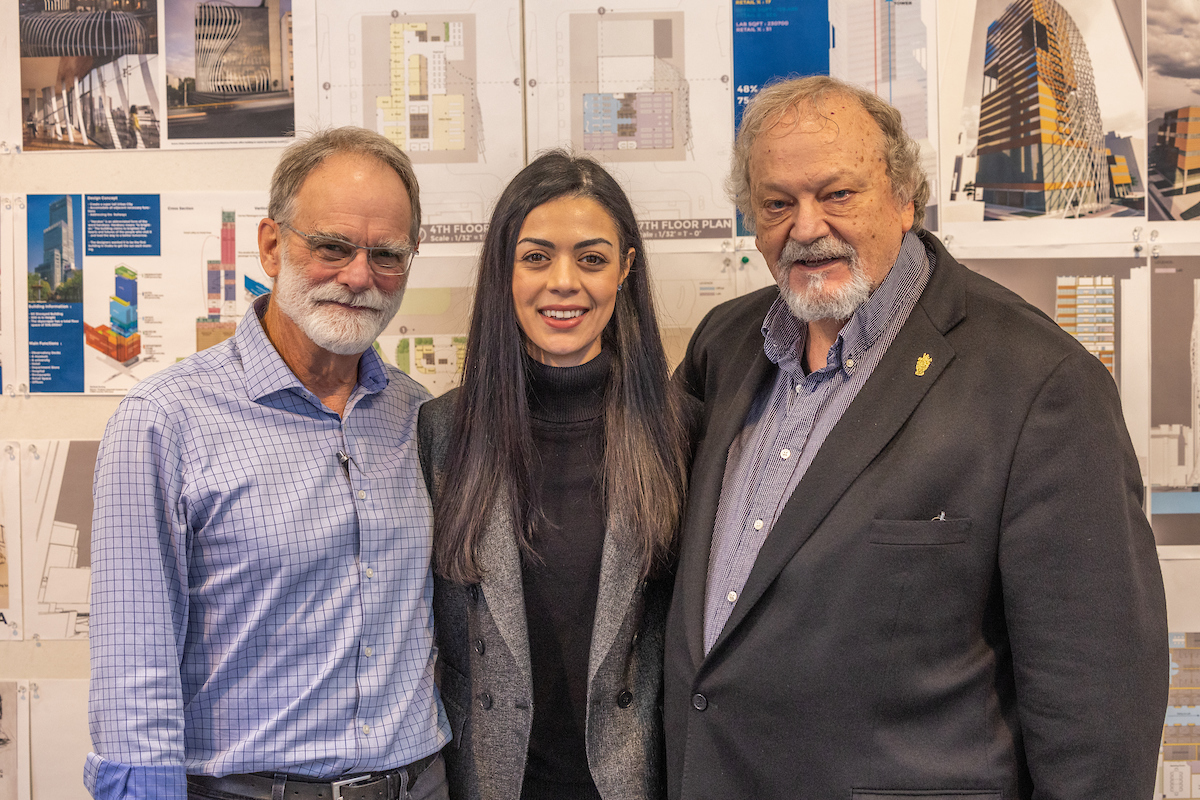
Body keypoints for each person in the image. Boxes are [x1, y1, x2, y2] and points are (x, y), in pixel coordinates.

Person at [664, 75, 1168, 799]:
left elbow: (1098, 700)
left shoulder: (1040, 384)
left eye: (837, 194)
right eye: (777, 203)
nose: (806, 228)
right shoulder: (726, 345)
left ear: (904, 197)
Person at [86, 127, 450, 800]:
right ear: (272, 246)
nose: (358, 276)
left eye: (387, 254)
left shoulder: (418, 415)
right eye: (333, 246)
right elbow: (133, 682)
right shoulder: (165, 422)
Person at [419, 150, 692, 800]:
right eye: (536, 257)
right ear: (503, 270)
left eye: (591, 259)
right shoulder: (440, 432)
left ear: (625, 268)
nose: (563, 282)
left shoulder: (684, 435)